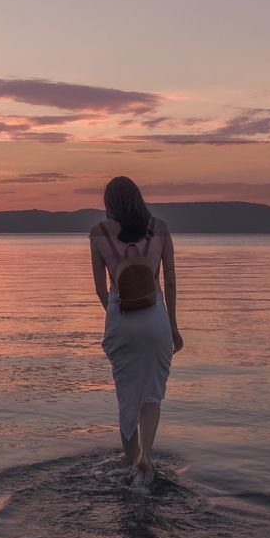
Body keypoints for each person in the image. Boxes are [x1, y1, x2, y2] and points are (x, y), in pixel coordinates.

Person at [89, 176, 184, 483]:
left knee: (126, 392)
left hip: (121, 315)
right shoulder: (160, 228)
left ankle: (131, 466)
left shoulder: (98, 233)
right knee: (152, 393)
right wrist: (172, 327)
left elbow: (101, 290)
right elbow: (169, 280)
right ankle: (147, 459)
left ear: (109, 204)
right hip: (156, 316)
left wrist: (117, 316)